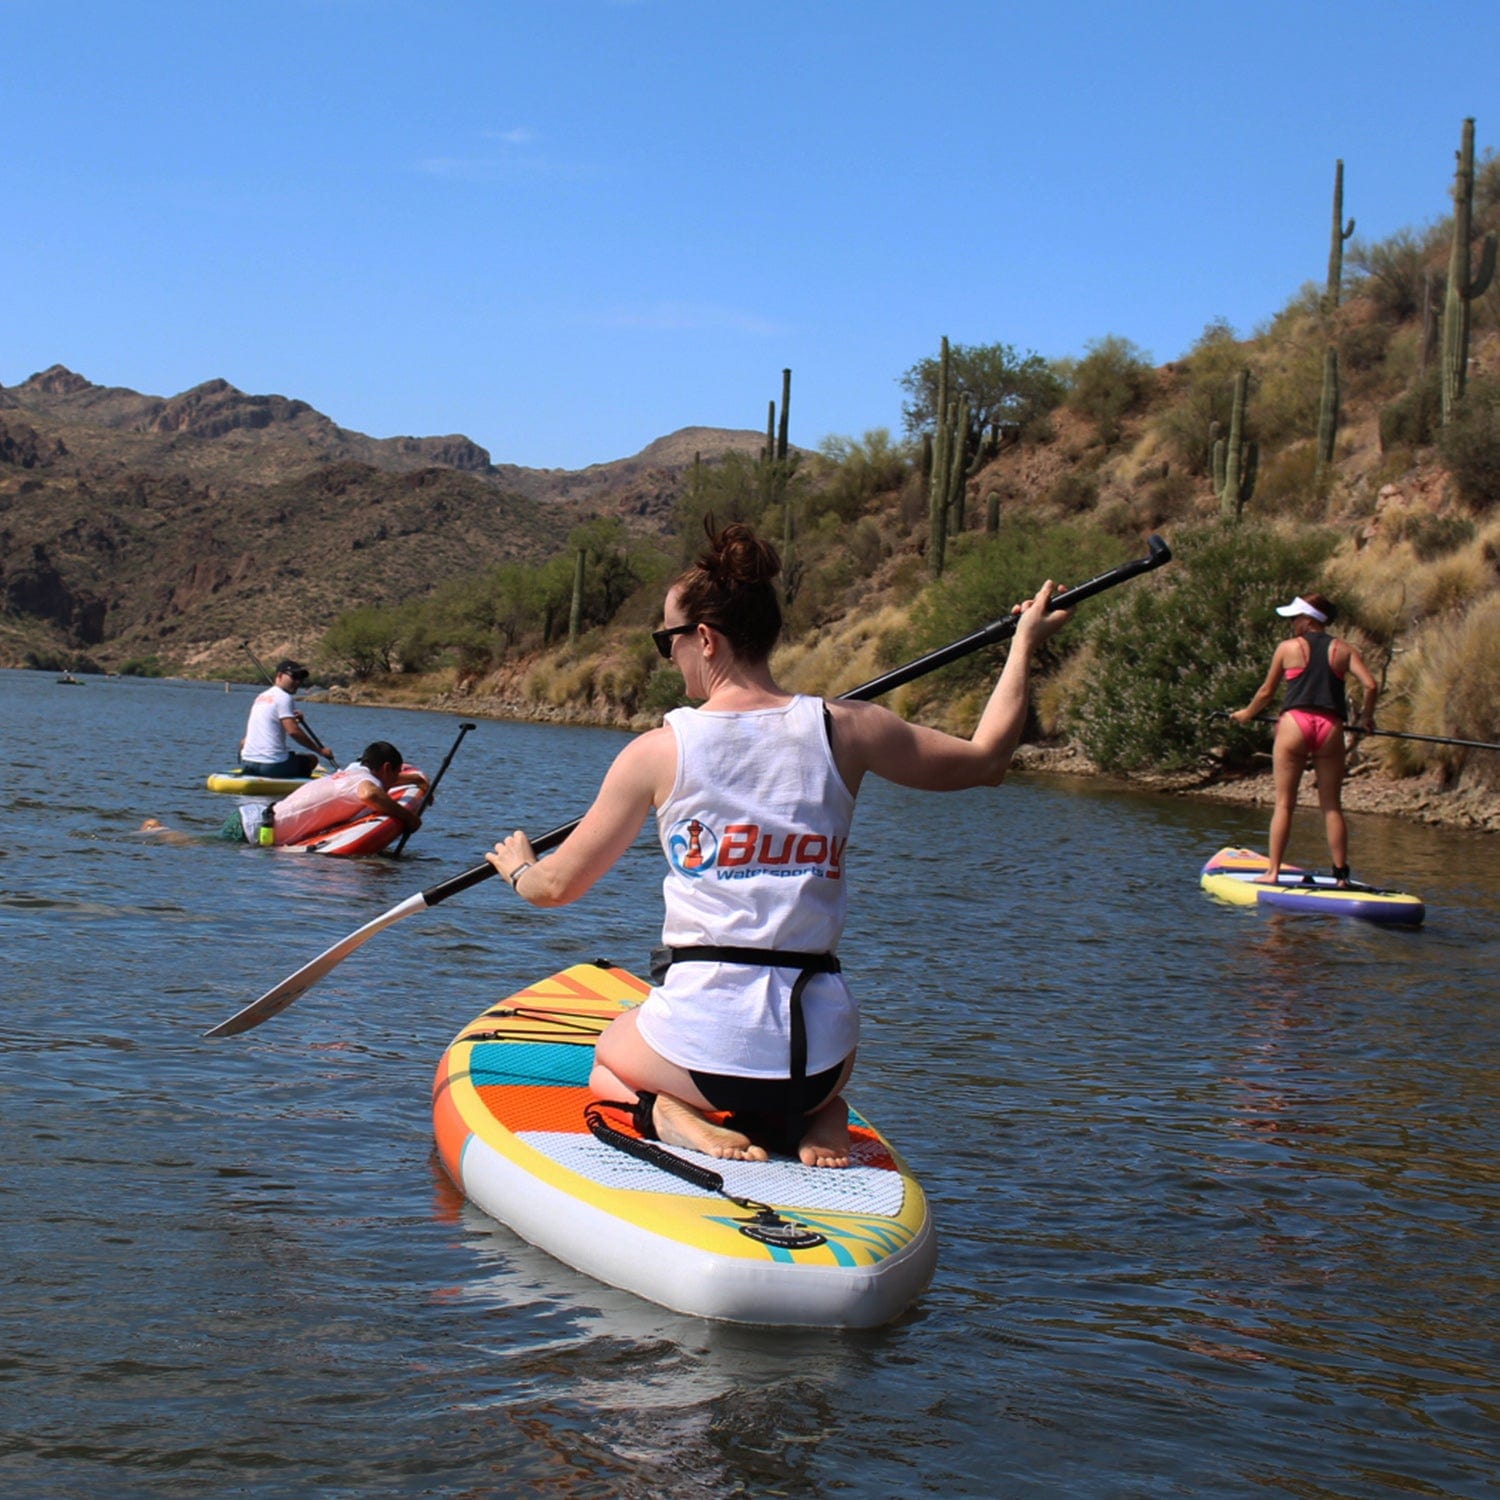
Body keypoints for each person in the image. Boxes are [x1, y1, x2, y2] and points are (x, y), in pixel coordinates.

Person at [485, 520, 1072, 1168]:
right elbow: (988, 760)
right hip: (821, 1055)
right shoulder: (850, 728)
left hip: (703, 1045)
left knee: (606, 1062)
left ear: (704, 639)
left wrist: (517, 867)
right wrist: (1022, 646)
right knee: (785, 1057)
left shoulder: (657, 753)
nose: (669, 655)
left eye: (667, 641)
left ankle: (667, 1112)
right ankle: (818, 1113)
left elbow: (556, 888)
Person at [1231, 592, 1378, 887]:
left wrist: (1246, 714)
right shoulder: (1345, 650)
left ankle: (1272, 873)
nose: (1293, 623)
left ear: (1309, 620)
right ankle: (1341, 878)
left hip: (1294, 725)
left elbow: (1266, 693)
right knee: (1332, 806)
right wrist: (1366, 719)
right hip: (1330, 727)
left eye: (1296, 618)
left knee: (1284, 804)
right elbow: (1371, 685)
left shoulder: (1287, 648)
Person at [239, 659, 332, 778]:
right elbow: (293, 731)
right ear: (279, 675)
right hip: (271, 766)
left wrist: (292, 718)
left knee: (290, 755)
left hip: (248, 764)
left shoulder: (260, 697)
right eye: (294, 677)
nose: (298, 681)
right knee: (312, 759)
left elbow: (244, 742)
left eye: (300, 678)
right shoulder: (284, 697)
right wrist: (320, 750)